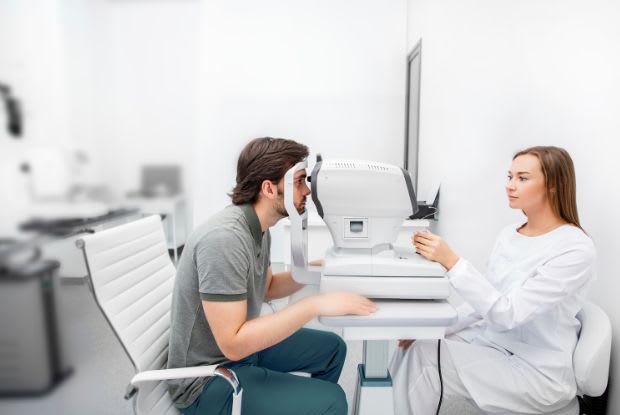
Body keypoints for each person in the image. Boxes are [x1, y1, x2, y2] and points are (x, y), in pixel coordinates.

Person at [167, 137, 377, 415]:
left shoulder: (257, 227)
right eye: (299, 181)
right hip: (207, 381)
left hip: (237, 355)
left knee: (333, 350)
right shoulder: (224, 239)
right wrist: (315, 305)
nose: (307, 191)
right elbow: (233, 343)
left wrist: (318, 268)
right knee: (332, 400)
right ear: (268, 188)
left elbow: (267, 287)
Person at [390, 146, 596, 414]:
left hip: (535, 369)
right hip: (494, 342)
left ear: (554, 184)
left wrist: (451, 261)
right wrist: (430, 330)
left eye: (522, 178)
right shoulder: (510, 233)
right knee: (414, 345)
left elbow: (507, 313)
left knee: (424, 358)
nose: (510, 185)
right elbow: (483, 303)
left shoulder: (575, 248)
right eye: (509, 177)